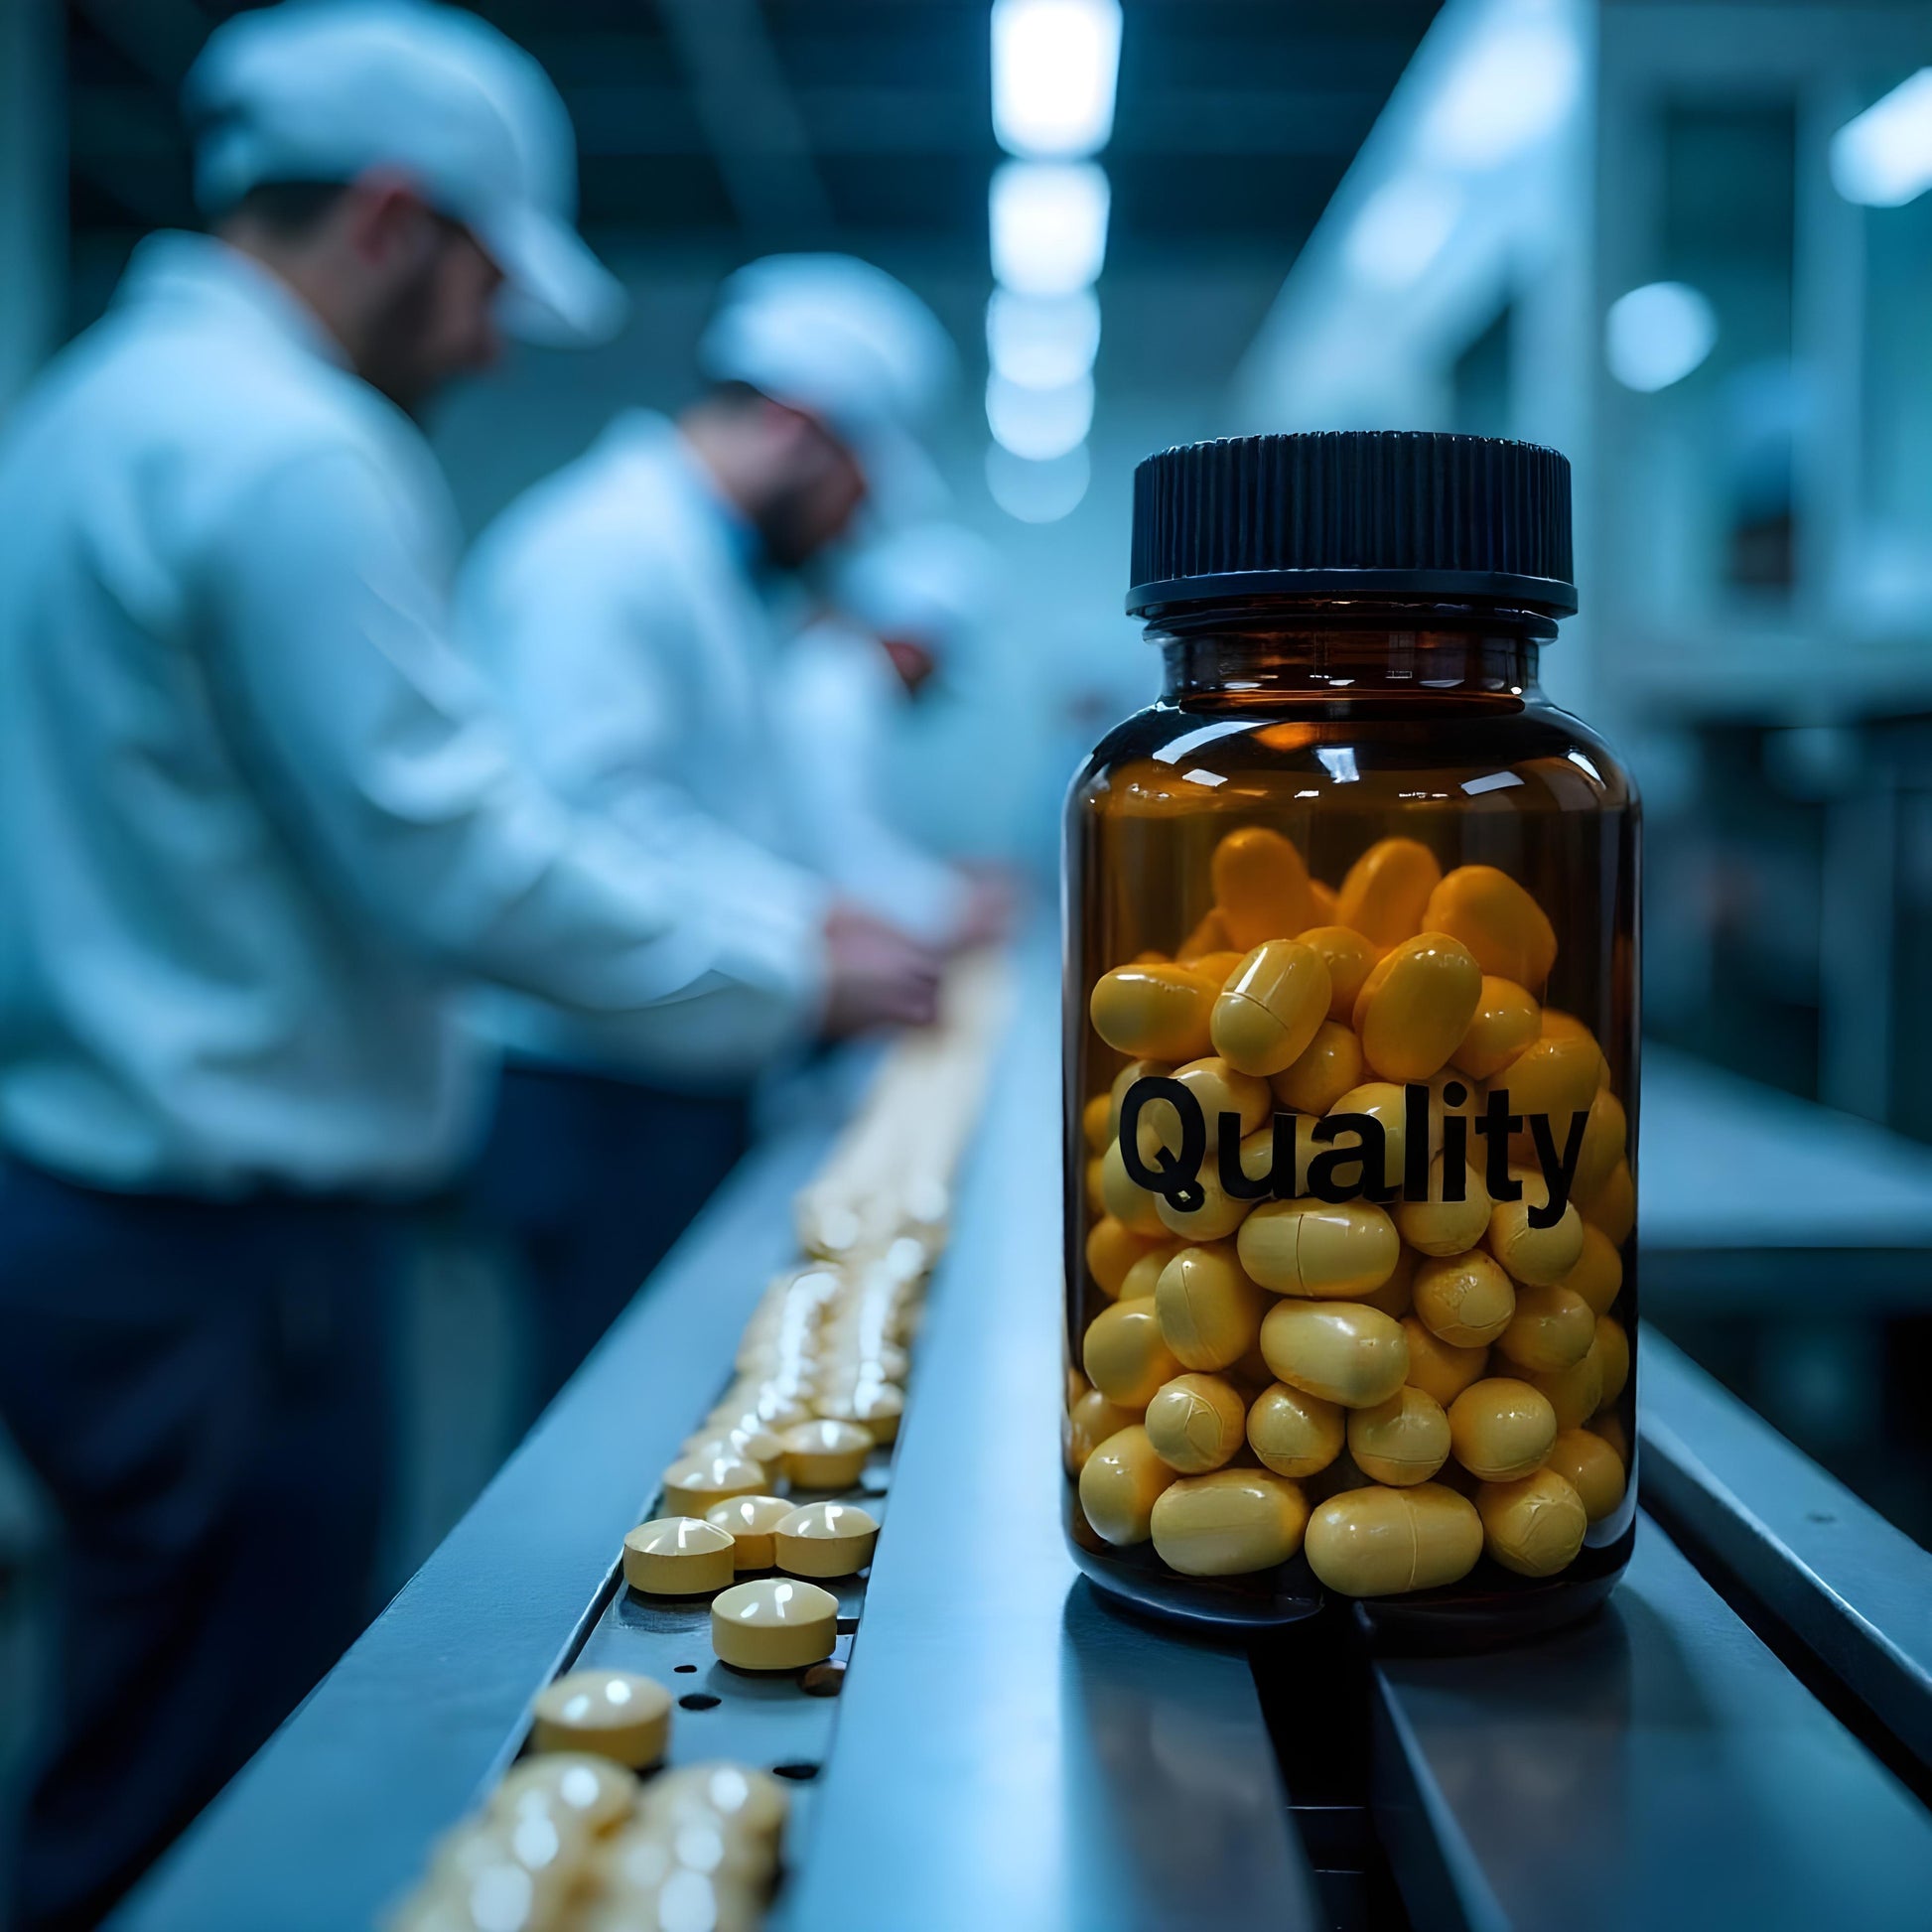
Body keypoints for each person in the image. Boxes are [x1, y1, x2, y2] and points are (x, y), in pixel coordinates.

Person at [0, 6, 935, 1926]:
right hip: (226, 1242)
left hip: (91, 1199)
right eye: (492, 280)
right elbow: (455, 847)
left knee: (140, 1717)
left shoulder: (88, 409)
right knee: (213, 1779)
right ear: (397, 219)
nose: (497, 340)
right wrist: (786, 965)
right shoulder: (287, 453)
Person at [457, 256, 956, 1409]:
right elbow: (586, 823)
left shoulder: (700, 571)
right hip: (594, 1084)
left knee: (658, 1409)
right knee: (594, 1433)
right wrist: (805, 936)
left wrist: (813, 921)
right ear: (796, 428)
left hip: (665, 1055)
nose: (850, 528)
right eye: (855, 488)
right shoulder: (606, 552)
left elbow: (700, 815)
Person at [782, 522, 1018, 948]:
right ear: (913, 645)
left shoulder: (853, 686)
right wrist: (954, 905)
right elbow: (843, 855)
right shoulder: (831, 692)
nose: (926, 689)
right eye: (934, 669)